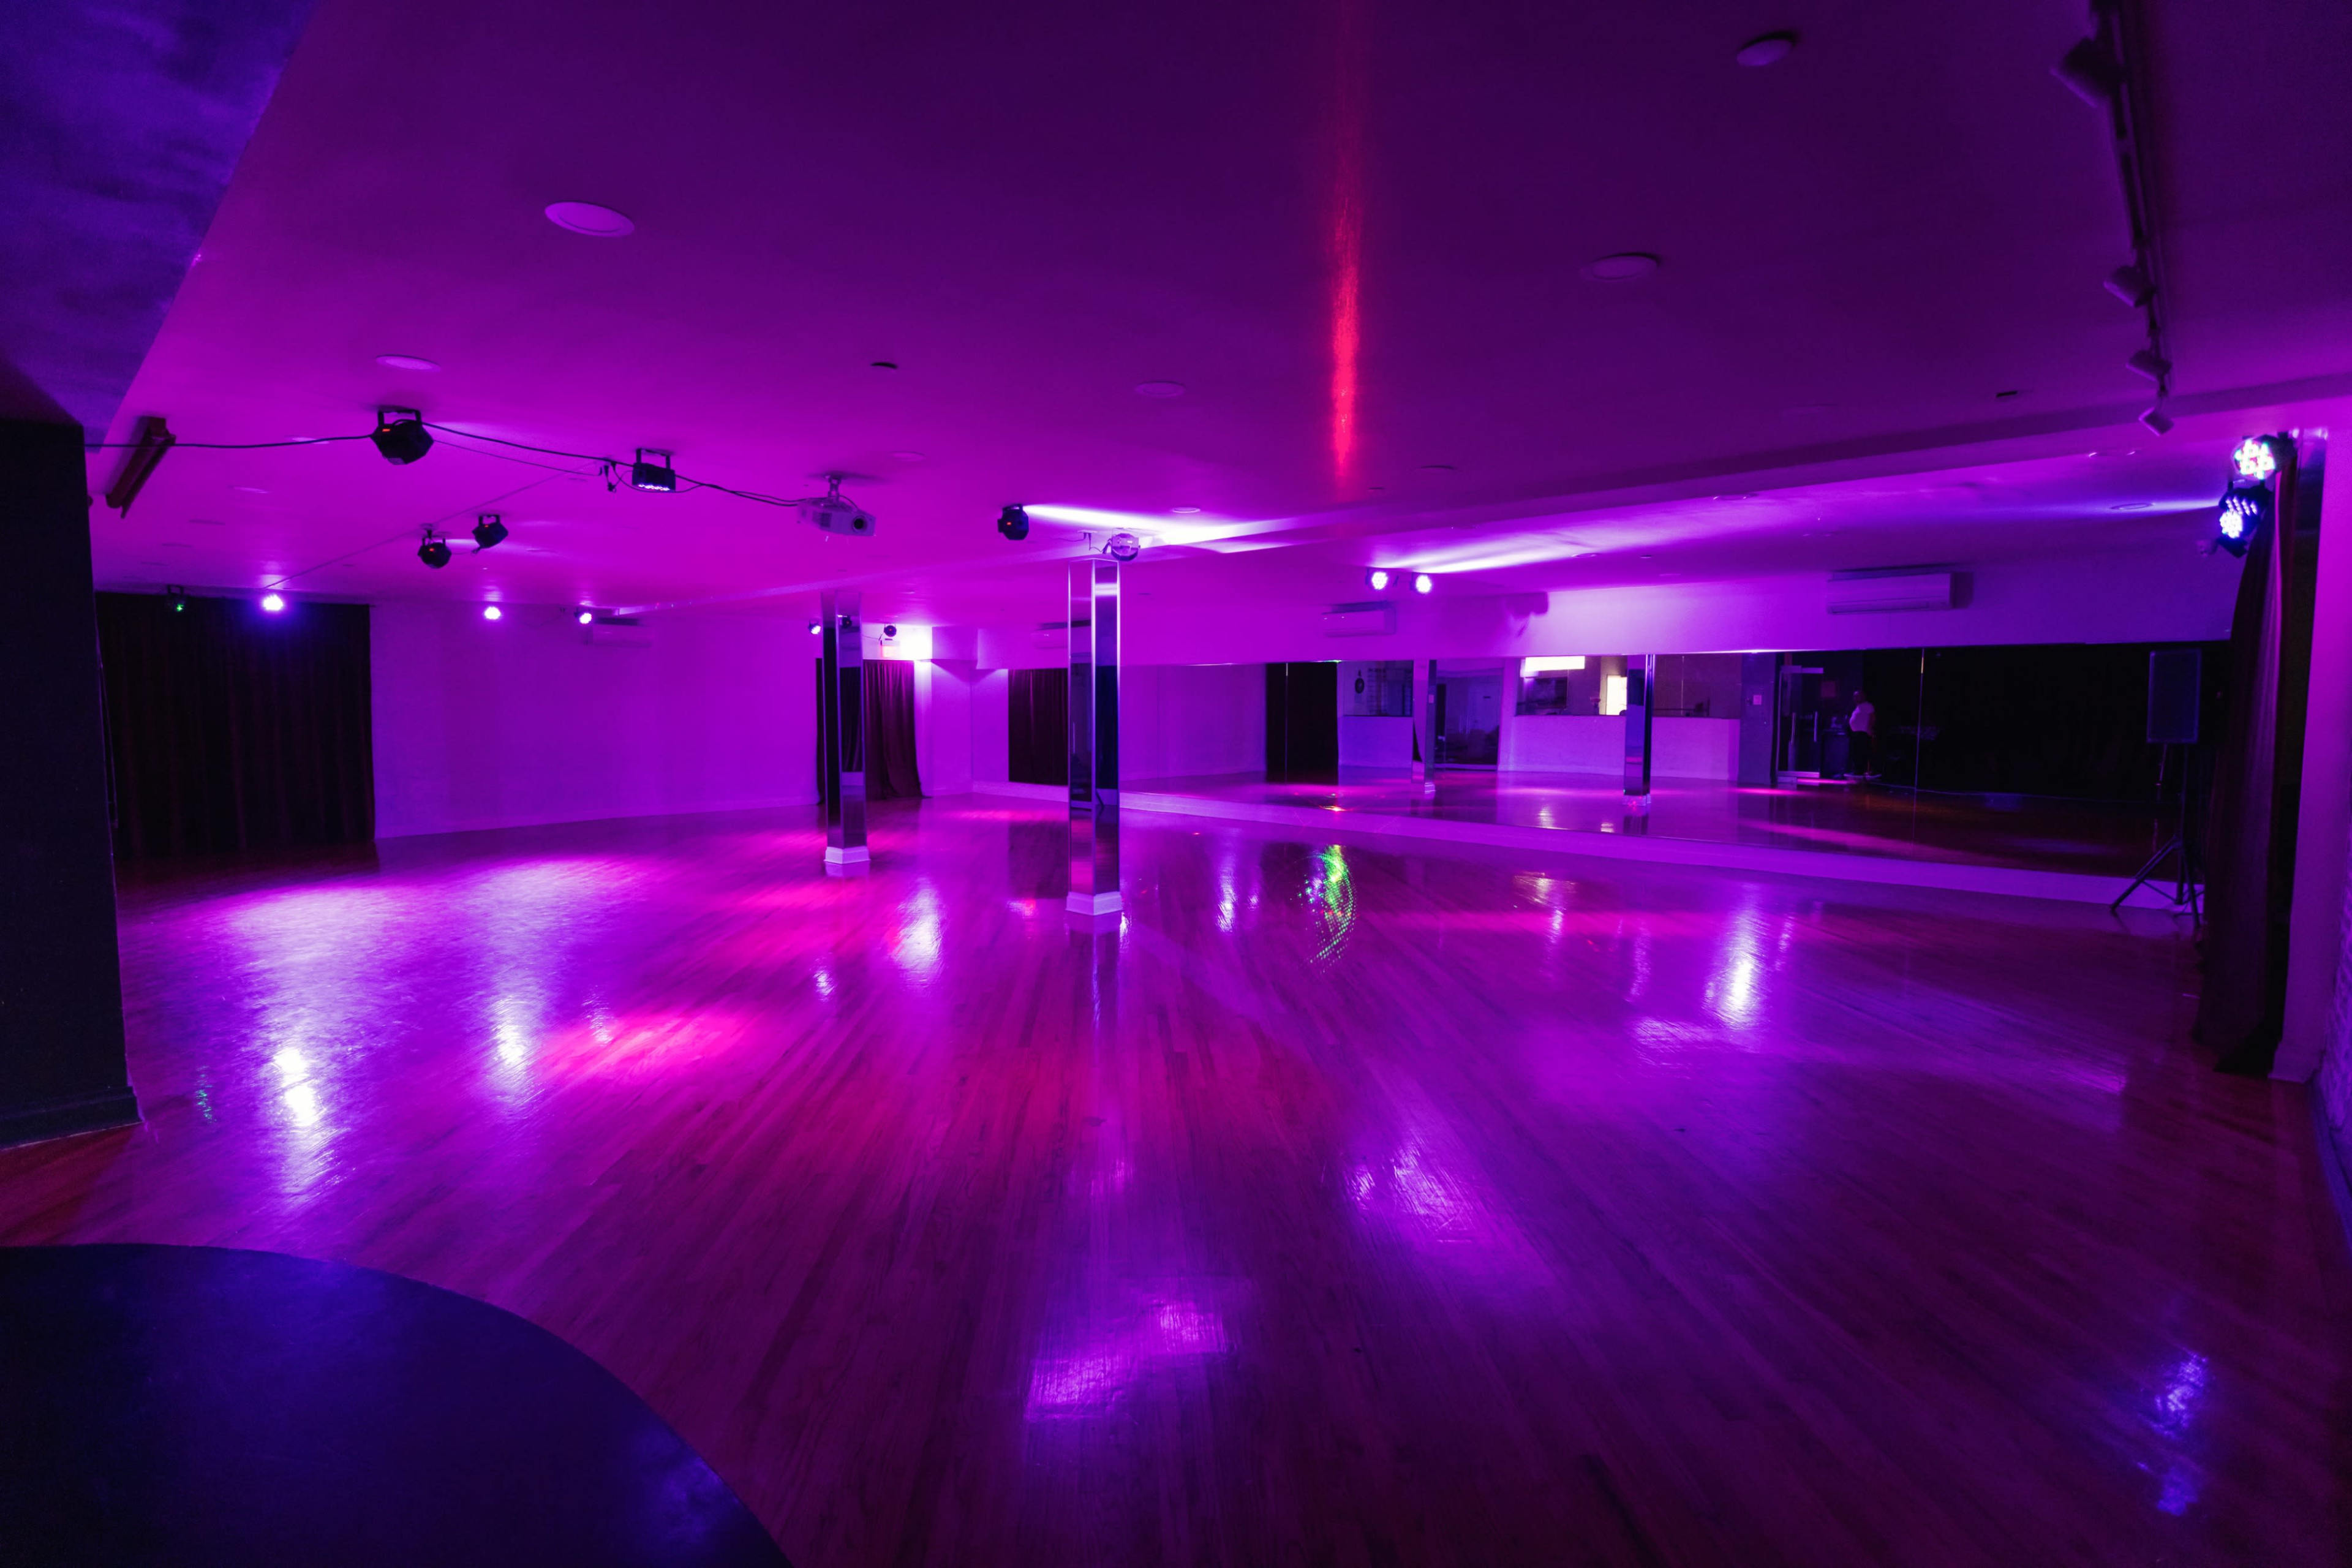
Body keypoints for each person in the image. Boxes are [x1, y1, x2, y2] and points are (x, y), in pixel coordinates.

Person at [1848, 691, 1876, 780]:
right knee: (1856, 753)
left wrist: (1870, 729)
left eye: (1857, 696)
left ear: (1863, 697)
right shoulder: (1858, 707)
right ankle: (1858, 770)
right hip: (1856, 733)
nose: (1855, 698)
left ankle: (1863, 771)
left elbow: (1872, 718)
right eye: (1854, 696)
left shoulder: (1868, 706)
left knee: (1862, 752)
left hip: (1863, 733)